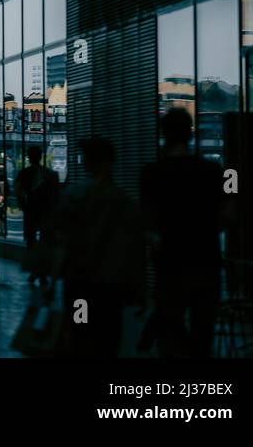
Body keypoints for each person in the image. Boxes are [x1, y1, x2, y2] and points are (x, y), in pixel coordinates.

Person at [140, 108, 229, 358]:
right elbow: (228, 214)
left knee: (171, 332)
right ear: (190, 134)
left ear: (163, 134)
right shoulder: (213, 171)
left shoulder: (152, 173)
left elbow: (146, 224)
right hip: (206, 262)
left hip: (170, 265)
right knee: (203, 333)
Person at [48, 137, 144, 357]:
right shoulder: (124, 202)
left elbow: (63, 244)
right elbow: (134, 249)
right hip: (111, 289)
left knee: (79, 335)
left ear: (87, 163)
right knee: (108, 340)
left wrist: (52, 281)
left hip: (79, 286)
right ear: (111, 162)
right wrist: (139, 287)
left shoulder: (73, 196)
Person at [15, 147, 60, 276]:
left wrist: (23, 205)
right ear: (41, 156)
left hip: (31, 209)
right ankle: (43, 272)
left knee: (31, 240)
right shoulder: (49, 174)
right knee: (45, 240)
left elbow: (18, 190)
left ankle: (34, 270)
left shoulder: (24, 173)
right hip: (46, 210)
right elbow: (56, 194)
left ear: (29, 157)